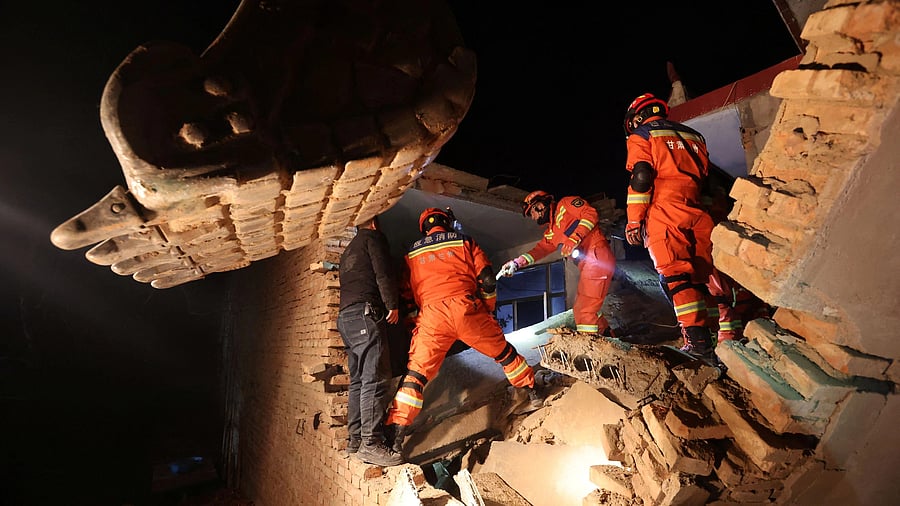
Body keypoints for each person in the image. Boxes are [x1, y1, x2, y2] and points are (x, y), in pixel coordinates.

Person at [385, 207, 542, 455]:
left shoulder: (411, 253)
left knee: (415, 377)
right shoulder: (465, 242)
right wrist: (486, 309)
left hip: (432, 318)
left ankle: (395, 437)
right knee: (505, 355)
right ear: (447, 222)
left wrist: (415, 323)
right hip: (467, 309)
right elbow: (488, 280)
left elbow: (406, 297)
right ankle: (533, 394)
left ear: (424, 226)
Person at [621, 92, 725, 359]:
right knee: (700, 277)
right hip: (697, 209)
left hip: (665, 209)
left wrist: (634, 221)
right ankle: (717, 337)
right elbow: (710, 181)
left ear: (637, 116)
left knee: (675, 275)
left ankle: (699, 345)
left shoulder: (643, 134)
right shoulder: (693, 136)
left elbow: (642, 177)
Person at [501, 191, 618, 336]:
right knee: (581, 308)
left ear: (540, 205)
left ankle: (590, 350)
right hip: (588, 264)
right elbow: (540, 250)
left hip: (597, 256)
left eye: (532, 212)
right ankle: (608, 337)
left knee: (585, 311)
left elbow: (590, 213)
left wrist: (575, 237)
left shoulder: (566, 204)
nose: (533, 217)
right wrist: (517, 263)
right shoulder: (551, 231)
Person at [336, 215, 403, 466]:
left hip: (345, 320)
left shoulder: (348, 251)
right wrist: (392, 305)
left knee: (358, 381)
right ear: (374, 223)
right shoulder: (372, 239)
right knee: (374, 380)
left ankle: (354, 441)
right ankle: (371, 444)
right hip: (365, 316)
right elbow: (382, 273)